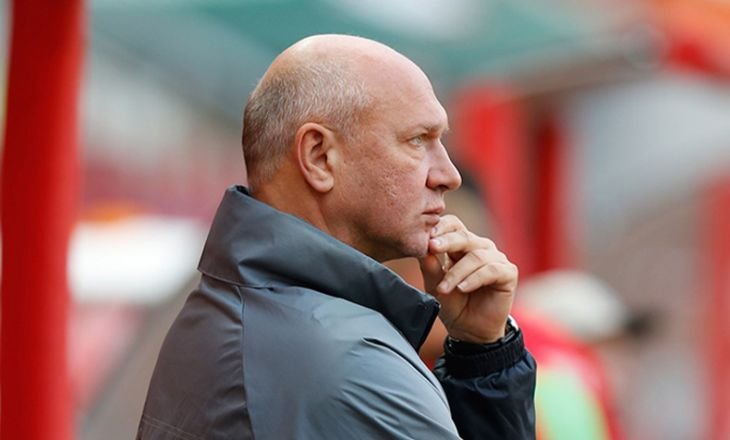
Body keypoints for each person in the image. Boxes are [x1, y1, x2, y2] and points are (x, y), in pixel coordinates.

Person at [137, 34, 536, 439]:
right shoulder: (355, 368)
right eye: (418, 140)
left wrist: (481, 354)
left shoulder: (219, 310)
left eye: (441, 142)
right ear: (319, 157)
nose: (449, 175)